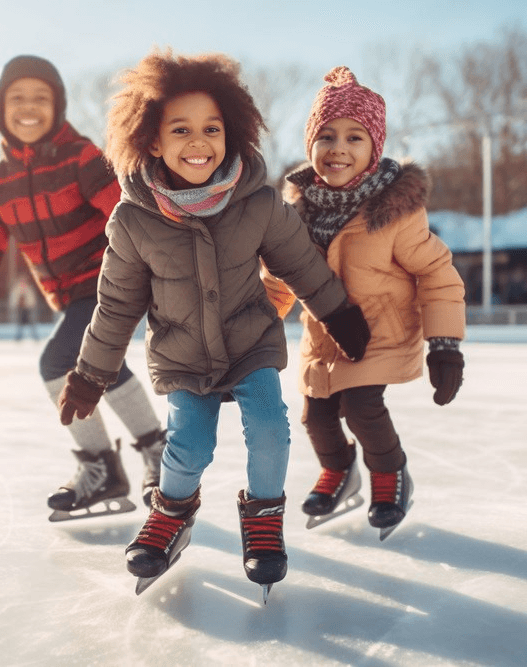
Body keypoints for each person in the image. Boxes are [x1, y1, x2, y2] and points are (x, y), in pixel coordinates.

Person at [56, 50, 370, 594]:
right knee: (188, 445)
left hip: (250, 341)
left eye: (211, 128)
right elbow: (116, 306)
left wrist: (339, 313)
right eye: (181, 129)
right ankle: (172, 513)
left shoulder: (259, 203)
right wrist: (90, 374)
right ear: (152, 140)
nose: (198, 142)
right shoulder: (132, 221)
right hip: (183, 354)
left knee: (271, 429)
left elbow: (300, 264)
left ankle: (264, 518)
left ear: (232, 133)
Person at [0, 55, 167, 516]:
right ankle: (152, 456)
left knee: (59, 362)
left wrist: (169, 269)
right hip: (69, 296)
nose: (29, 107)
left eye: (41, 98)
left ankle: (106, 466)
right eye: (17, 98)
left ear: (59, 106)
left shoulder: (81, 157)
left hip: (111, 281)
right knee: (100, 368)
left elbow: (126, 214)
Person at [264, 67, 466, 538]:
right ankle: (340, 470)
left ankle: (390, 473)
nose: (339, 148)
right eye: (327, 135)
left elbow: (437, 273)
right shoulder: (295, 215)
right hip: (324, 338)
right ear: (310, 144)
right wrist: (253, 326)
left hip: (383, 333)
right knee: (314, 416)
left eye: (355, 138)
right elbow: (277, 284)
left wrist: (445, 344)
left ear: (374, 151)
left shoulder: (396, 214)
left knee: (362, 407)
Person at [9, 275, 39, 342]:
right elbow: (14, 298)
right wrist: (16, 305)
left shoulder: (28, 288)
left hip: (27, 308)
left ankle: (34, 337)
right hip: (20, 309)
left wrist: (28, 305)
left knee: (30, 323)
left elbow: (31, 299)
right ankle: (19, 337)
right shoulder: (17, 288)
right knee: (20, 323)